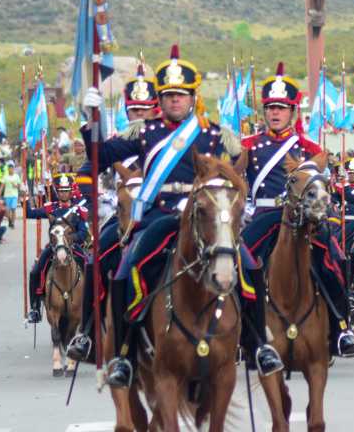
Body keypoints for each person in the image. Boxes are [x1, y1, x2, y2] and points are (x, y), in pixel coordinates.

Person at [79, 45, 260, 387]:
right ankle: (123, 352)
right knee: (124, 269)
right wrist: (91, 121)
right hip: (158, 216)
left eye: (181, 95)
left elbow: (243, 168)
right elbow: (100, 153)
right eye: (168, 95)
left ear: (193, 98)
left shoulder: (213, 134)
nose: (175, 101)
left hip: (203, 216)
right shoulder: (144, 132)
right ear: (160, 99)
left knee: (250, 265)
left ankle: (257, 343)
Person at [239, 62, 354, 363]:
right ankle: (242, 332)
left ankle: (340, 327)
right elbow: (234, 180)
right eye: (270, 107)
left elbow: (321, 188)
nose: (275, 113)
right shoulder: (248, 147)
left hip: (303, 219)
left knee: (335, 260)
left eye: (281, 107)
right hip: (264, 217)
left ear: (293, 111)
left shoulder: (308, 148)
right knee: (241, 264)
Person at [65, 60, 160, 362]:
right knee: (96, 258)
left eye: (145, 110)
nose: (140, 116)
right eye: (135, 110)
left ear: (155, 109)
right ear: (127, 111)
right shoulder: (121, 141)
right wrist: (90, 120)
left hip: (161, 210)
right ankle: (87, 330)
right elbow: (91, 164)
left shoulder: (168, 138)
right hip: (122, 212)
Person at [24, 174, 87, 324]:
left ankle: (92, 302)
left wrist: (70, 238)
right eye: (61, 191)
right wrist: (26, 196)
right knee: (35, 270)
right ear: (57, 192)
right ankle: (35, 308)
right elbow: (30, 213)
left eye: (66, 190)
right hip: (54, 248)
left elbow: (83, 233)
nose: (64, 193)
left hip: (72, 246)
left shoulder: (78, 210)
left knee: (90, 266)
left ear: (71, 192)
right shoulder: (51, 208)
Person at [0, 162, 21, 228]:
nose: (10, 170)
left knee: (13, 209)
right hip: (7, 195)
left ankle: (13, 223)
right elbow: (2, 185)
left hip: (14, 195)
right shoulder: (5, 176)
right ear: (8, 169)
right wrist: (0, 192)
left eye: (12, 168)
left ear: (13, 169)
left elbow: (19, 186)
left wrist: (15, 185)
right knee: (7, 210)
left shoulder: (16, 176)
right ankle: (9, 220)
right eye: (9, 169)